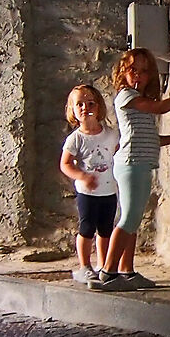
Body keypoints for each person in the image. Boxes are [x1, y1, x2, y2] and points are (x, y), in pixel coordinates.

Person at [101, 48, 170, 290]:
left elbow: (147, 138)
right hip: (132, 164)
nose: (138, 75)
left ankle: (127, 271)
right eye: (133, 70)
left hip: (139, 164)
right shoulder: (127, 96)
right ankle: (108, 272)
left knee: (132, 219)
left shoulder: (137, 101)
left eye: (144, 71)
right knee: (128, 219)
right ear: (123, 72)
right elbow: (161, 108)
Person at [58, 85, 119, 286]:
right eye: (80, 104)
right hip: (87, 193)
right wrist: (82, 176)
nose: (86, 108)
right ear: (73, 110)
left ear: (99, 106)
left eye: (91, 103)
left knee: (105, 229)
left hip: (108, 190)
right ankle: (84, 267)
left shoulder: (111, 135)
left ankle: (104, 266)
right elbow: (65, 164)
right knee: (87, 228)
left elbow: (119, 153)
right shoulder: (76, 139)